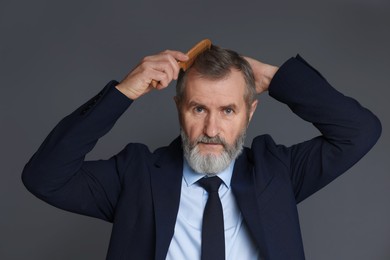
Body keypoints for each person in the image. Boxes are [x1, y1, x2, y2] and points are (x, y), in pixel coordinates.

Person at [22, 44, 381, 260]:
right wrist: (123, 92)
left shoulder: (277, 173)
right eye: (198, 109)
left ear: (249, 113)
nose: (211, 130)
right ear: (179, 108)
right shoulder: (137, 176)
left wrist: (275, 79)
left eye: (227, 110)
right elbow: (44, 177)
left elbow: (359, 131)